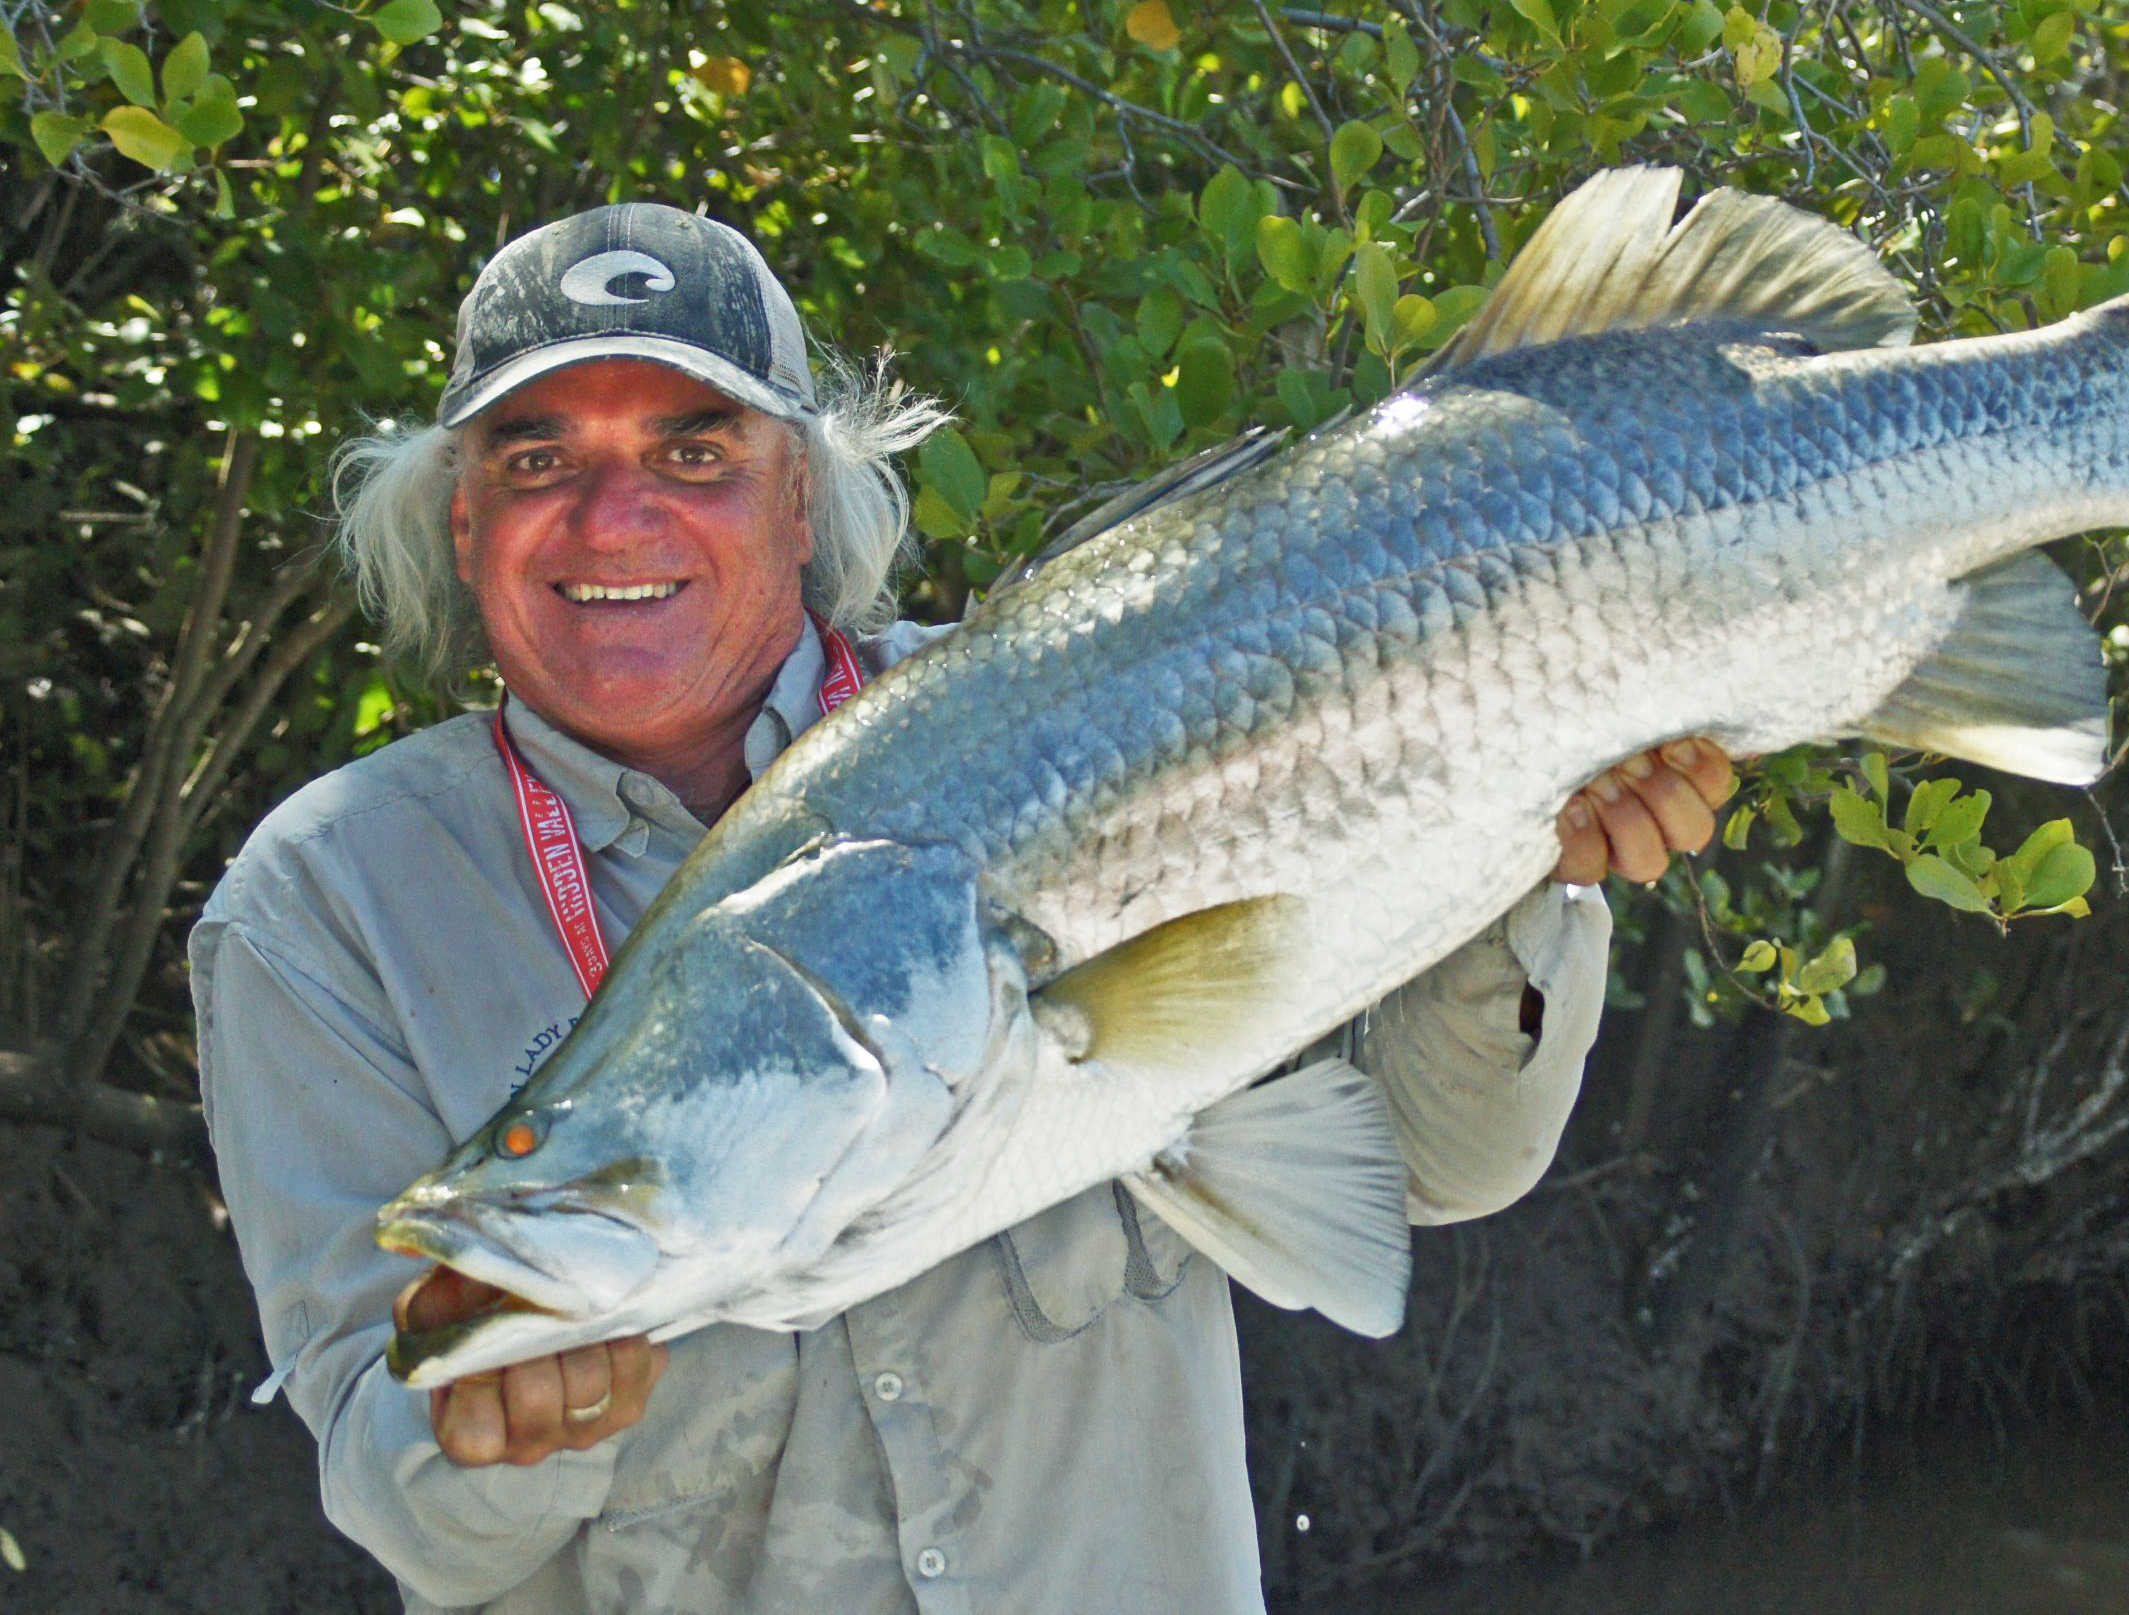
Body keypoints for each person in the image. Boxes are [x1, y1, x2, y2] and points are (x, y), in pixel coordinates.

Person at [190, 204, 1735, 1613]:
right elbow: (398, 1493)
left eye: (697, 451)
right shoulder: (323, 904)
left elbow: (1436, 1165)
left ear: (804, 494)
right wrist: (497, 1435)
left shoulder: (1103, 697)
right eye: (535, 462)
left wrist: (1528, 875)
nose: (611, 518)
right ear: (463, 523)